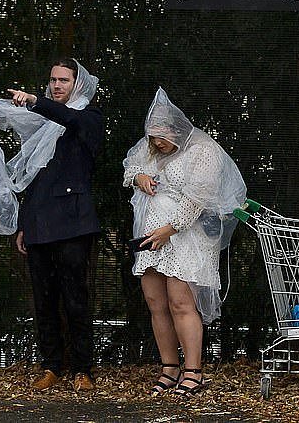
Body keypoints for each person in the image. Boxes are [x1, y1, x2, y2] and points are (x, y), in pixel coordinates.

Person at [122, 87, 246, 398]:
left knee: (181, 301)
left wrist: (171, 228)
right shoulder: (151, 149)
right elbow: (130, 166)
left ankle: (194, 371)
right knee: (155, 301)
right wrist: (138, 177)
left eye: (161, 135)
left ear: (177, 129)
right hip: (151, 233)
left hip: (186, 235)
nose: (156, 142)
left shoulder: (203, 151)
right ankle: (169, 368)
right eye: (152, 136)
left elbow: (197, 197)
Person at [6, 58, 104, 392]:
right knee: (44, 299)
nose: (57, 85)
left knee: (75, 298)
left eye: (64, 80)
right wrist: (23, 224)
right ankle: (50, 367)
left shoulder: (88, 117)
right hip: (38, 223)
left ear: (78, 83)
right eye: (52, 80)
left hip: (73, 224)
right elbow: (33, 179)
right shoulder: (39, 127)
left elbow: (67, 118)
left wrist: (36, 101)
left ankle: (82, 369)